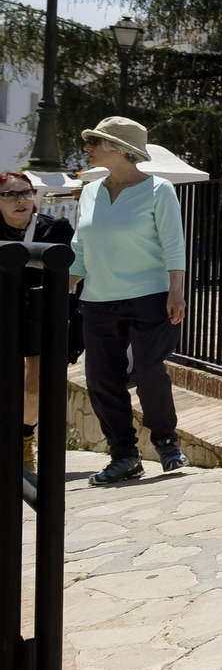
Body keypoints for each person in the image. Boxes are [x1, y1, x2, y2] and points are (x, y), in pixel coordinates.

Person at [70, 118, 188, 486]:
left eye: (97, 141)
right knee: (101, 380)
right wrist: (65, 285)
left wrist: (176, 290)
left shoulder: (158, 190)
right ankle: (124, 455)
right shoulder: (90, 192)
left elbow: (173, 243)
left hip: (150, 297)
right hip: (98, 300)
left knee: (151, 370)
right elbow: (79, 247)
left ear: (122, 150)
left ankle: (166, 440)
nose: (88, 146)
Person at [1, 171, 75, 473]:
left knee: (33, 385)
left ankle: (24, 442)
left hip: (38, 317)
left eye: (26, 193)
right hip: (4, 315)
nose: (21, 199)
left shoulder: (55, 229)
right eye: (10, 194)